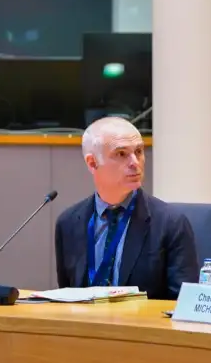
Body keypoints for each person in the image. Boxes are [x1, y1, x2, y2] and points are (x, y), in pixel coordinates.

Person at [54, 117, 199, 300]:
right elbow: (67, 298)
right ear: (92, 163)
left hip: (143, 318)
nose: (135, 162)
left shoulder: (171, 223)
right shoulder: (68, 223)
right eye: (121, 154)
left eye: (138, 151)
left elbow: (183, 302)